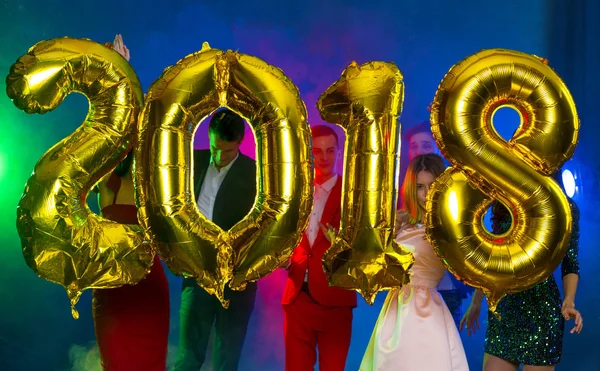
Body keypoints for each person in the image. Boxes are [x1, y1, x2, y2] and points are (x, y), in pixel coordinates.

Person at [92, 34, 170, 371]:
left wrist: (124, 70)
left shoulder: (147, 167)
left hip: (146, 285)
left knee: (149, 363)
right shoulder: (98, 164)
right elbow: (103, 123)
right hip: (111, 283)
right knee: (117, 361)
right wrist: (113, 73)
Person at [460, 171, 583, 371]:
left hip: (543, 311)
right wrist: (476, 300)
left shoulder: (565, 208)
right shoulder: (505, 201)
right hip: (505, 309)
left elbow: (571, 263)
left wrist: (569, 300)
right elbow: (493, 259)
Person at [360, 153, 469, 371]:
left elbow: (463, 267)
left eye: (432, 185)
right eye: (420, 186)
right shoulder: (400, 221)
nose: (426, 193)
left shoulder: (448, 227)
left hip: (426, 307)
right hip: (395, 307)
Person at [174, 109, 257, 371]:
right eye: (214, 148)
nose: (219, 156)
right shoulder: (192, 162)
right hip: (196, 273)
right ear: (208, 136)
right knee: (187, 357)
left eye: (227, 151)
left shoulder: (256, 173)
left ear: (240, 143)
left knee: (226, 360)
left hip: (238, 279)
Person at [281, 125, 357, 371]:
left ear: (339, 152)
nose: (324, 157)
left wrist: (342, 247)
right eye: (317, 151)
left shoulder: (353, 195)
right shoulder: (294, 192)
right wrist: (282, 259)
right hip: (297, 297)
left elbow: (364, 250)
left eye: (330, 150)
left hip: (335, 300)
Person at [402, 120, 472, 326]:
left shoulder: (456, 202)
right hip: (406, 300)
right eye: (413, 147)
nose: (417, 152)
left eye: (424, 146)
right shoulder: (402, 210)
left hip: (444, 294)